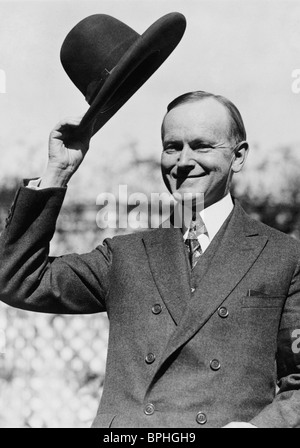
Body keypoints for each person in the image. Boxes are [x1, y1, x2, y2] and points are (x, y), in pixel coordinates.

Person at [0, 90, 300, 428]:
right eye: (172, 147)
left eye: (201, 146)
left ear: (239, 156)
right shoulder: (127, 256)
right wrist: (58, 171)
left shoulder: (282, 256)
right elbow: (19, 280)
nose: (184, 161)